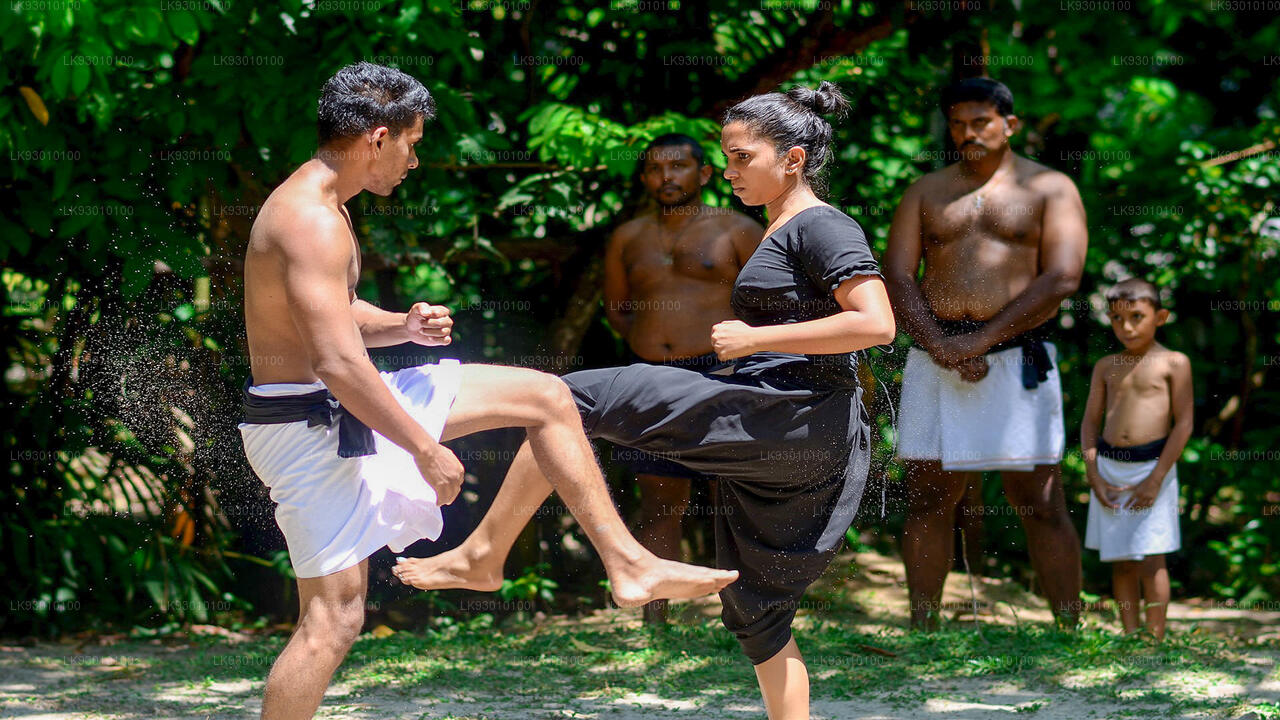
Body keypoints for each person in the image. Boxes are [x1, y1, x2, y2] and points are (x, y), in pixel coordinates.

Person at [238, 62, 736, 720]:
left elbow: (327, 315)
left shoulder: (322, 204)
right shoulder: (310, 219)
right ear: (378, 138)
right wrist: (423, 447)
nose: (415, 161)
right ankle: (578, 561)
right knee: (331, 622)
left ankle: (528, 558)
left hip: (330, 408)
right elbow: (334, 360)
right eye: (414, 143)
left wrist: (400, 325)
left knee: (546, 398)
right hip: (309, 424)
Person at [395, 81, 895, 720]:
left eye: (742, 157)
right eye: (727, 156)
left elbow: (877, 324)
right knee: (757, 614)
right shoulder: (782, 227)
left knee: (561, 397)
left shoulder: (821, 225)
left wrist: (757, 337)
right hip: (792, 426)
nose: (729, 171)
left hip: (788, 414)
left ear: (793, 159)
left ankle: (474, 541)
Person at [884, 77, 1088, 628]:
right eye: (957, 123)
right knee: (929, 498)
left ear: (1009, 125)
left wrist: (979, 340)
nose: (968, 133)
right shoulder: (926, 191)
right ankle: (922, 625)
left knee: (1040, 500)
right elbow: (898, 276)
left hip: (1016, 357)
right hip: (936, 354)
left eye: (980, 122)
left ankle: (1072, 628)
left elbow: (1063, 277)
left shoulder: (1050, 188)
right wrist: (941, 344)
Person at [604, 132, 764, 623]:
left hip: (721, 374)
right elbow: (619, 311)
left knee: (730, 496)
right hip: (651, 376)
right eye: (654, 169)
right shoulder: (628, 237)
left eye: (677, 167)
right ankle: (656, 618)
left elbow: (770, 305)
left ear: (705, 174)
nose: (665, 177)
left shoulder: (738, 229)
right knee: (659, 497)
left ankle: (744, 616)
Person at [1082, 278, 1192, 640]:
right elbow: (1090, 423)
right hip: (1111, 469)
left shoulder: (1174, 363)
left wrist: (1157, 477)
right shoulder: (1105, 366)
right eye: (1116, 318)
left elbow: (1184, 424)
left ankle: (1155, 637)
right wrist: (1094, 474)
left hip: (1153, 467)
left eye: (1137, 317)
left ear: (1160, 317)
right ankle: (1130, 635)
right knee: (1122, 559)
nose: (1126, 327)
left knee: (1151, 558)